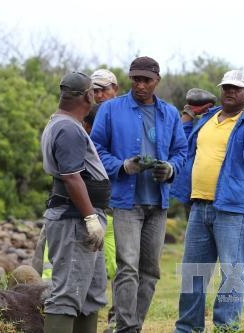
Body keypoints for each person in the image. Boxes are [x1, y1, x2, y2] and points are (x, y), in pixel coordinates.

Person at [90, 56, 188, 333]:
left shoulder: (169, 113)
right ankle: (125, 327)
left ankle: (133, 326)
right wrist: (122, 166)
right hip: (126, 201)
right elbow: (96, 149)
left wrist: (170, 169)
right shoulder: (110, 110)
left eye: (146, 80)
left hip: (158, 201)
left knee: (150, 271)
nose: (140, 85)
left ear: (157, 81)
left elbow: (182, 152)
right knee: (128, 266)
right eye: (136, 79)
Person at [172, 70, 244, 332]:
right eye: (226, 87)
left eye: (237, 88)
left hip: (233, 208)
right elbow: (183, 145)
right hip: (199, 206)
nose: (230, 91)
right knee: (193, 273)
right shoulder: (207, 117)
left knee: (231, 274)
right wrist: (187, 114)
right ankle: (187, 328)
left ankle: (226, 328)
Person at [40, 72, 109, 333]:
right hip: (74, 219)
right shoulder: (67, 128)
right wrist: (91, 218)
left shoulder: (65, 123)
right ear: (86, 95)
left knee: (91, 293)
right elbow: (71, 177)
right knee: (67, 292)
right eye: (94, 90)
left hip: (79, 216)